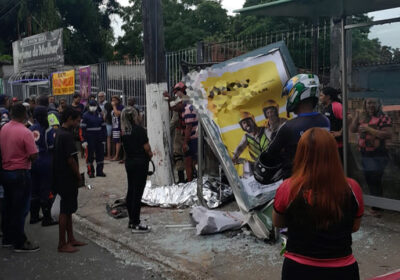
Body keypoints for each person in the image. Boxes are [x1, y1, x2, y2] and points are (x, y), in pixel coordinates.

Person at [273, 128, 364, 280]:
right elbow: (354, 226)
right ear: (333, 153)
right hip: (342, 270)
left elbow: (278, 222)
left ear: (301, 153)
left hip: (298, 269)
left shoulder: (288, 187)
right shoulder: (352, 187)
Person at [255, 74, 330, 184]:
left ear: (295, 94)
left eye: (288, 95)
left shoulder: (289, 127)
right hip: (322, 178)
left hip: (295, 184)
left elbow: (270, 154)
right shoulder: (324, 120)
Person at [0, 103, 39, 252]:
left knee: (9, 206)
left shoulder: (4, 128)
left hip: (6, 172)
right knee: (21, 209)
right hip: (20, 173)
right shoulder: (25, 132)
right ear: (25, 115)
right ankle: (19, 242)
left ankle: (8, 238)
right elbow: (33, 155)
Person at [53, 106, 87, 253]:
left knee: (69, 210)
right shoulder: (66, 136)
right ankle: (62, 243)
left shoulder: (60, 133)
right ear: (69, 119)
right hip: (67, 177)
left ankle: (71, 238)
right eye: (77, 120)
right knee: (65, 210)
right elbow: (71, 160)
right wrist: (78, 175)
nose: (78, 123)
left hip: (62, 176)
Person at [349, 98, 392, 199]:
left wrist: (369, 129)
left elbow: (387, 134)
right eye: (369, 103)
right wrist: (356, 117)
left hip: (378, 153)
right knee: (369, 179)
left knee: (375, 180)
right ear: (365, 105)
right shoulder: (364, 117)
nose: (371, 105)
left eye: (373, 103)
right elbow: (352, 130)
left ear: (378, 104)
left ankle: (376, 207)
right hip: (365, 153)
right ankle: (376, 204)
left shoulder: (383, 117)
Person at [121, 106, 153, 233]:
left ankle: (131, 220)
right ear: (135, 117)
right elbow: (147, 148)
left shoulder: (125, 131)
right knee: (137, 193)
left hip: (129, 162)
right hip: (140, 162)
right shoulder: (139, 130)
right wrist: (150, 154)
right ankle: (136, 223)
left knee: (131, 190)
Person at [29, 106, 57, 226]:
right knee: (45, 190)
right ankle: (47, 218)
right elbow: (52, 147)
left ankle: (34, 216)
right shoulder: (48, 129)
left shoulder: (30, 129)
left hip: (32, 163)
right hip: (45, 162)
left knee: (34, 190)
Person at [81, 100, 107, 178]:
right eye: (91, 106)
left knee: (100, 155)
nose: (93, 107)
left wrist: (104, 139)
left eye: (94, 106)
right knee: (89, 156)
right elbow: (82, 129)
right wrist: (84, 140)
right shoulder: (85, 115)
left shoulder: (99, 115)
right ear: (89, 106)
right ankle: (90, 172)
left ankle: (100, 171)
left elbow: (103, 127)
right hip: (89, 138)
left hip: (99, 138)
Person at [319, 87, 343, 160]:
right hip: (328, 146)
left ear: (328, 97)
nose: (320, 98)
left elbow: (349, 117)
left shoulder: (336, 105)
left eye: (321, 95)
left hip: (337, 147)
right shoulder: (325, 108)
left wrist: (340, 132)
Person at [169, 97, 188, 183]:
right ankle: (190, 176)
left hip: (181, 132)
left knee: (178, 154)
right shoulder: (186, 104)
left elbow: (174, 122)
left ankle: (181, 178)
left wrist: (166, 132)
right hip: (186, 131)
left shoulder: (178, 109)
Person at [182, 101, 198, 182]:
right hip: (194, 138)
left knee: (189, 161)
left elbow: (188, 127)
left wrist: (185, 142)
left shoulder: (188, 109)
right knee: (193, 161)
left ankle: (190, 181)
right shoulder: (190, 107)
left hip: (193, 138)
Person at [111, 95, 124, 161]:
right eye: (112, 100)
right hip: (114, 126)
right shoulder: (113, 107)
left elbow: (117, 114)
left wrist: (114, 106)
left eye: (114, 100)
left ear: (118, 101)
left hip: (119, 127)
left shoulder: (121, 107)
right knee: (115, 142)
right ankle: (115, 155)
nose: (113, 101)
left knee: (118, 142)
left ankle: (117, 156)